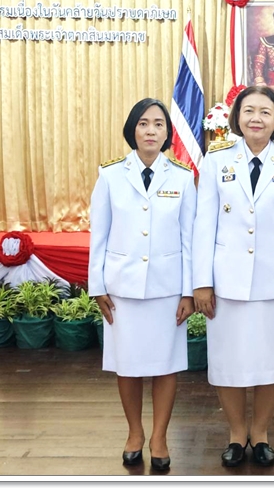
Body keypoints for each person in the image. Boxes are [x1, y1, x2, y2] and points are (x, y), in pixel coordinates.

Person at [192, 85, 274, 468]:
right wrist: (201, 281)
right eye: (249, 111)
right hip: (227, 282)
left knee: (271, 361)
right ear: (236, 118)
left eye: (266, 112)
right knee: (229, 361)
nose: (256, 119)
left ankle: (260, 433)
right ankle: (235, 434)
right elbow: (203, 226)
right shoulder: (216, 163)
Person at [88, 98, 197, 471]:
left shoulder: (182, 177)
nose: (151, 131)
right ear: (132, 129)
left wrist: (189, 291)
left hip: (168, 290)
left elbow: (189, 239)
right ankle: (134, 432)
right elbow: (98, 235)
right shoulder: (110, 175)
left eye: (159, 125)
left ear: (168, 133)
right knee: (128, 365)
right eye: (144, 124)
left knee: (166, 365)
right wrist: (96, 285)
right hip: (123, 289)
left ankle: (160, 436)